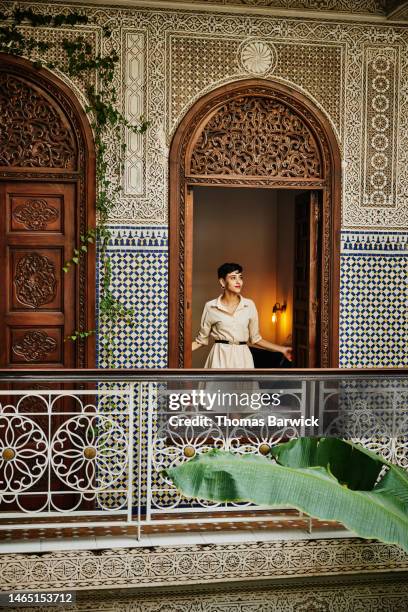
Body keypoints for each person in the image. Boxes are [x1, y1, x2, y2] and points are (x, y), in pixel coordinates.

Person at [192, 263, 292, 368]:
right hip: (220, 357)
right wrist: (175, 352)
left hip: (243, 358)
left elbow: (256, 339)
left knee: (243, 384)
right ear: (222, 282)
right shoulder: (210, 306)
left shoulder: (249, 305)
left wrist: (282, 349)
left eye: (240, 277)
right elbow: (201, 341)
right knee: (219, 385)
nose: (238, 281)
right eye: (233, 278)